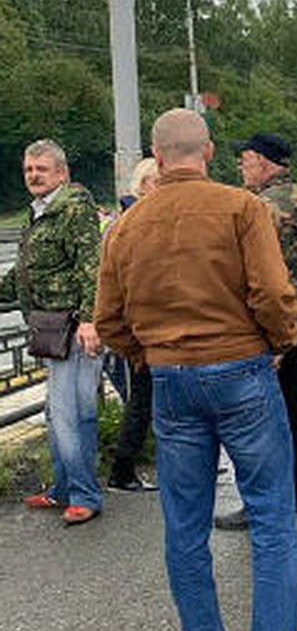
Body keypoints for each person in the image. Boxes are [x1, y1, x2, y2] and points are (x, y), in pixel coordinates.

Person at [95, 108, 297, 631]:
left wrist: (147, 357)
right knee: (271, 514)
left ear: (158, 156)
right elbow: (273, 291)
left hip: (171, 381)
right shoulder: (242, 208)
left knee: (185, 524)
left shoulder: (127, 225)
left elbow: (109, 321)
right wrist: (278, 342)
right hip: (242, 370)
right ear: (210, 152)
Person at [216, 132, 297, 528]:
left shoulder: (255, 208)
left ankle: (262, 506)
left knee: (259, 423)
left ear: (263, 162)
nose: (240, 168)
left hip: (267, 329)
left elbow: (247, 273)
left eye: (244, 160)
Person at [0, 139, 104, 525]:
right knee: (69, 413)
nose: (33, 175)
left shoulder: (72, 210)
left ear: (62, 173)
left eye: (41, 169)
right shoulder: (40, 212)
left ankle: (84, 495)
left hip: (73, 328)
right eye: (28, 169)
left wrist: (91, 320)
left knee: (66, 415)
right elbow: (26, 274)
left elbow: (91, 266)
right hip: (51, 327)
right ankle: (65, 488)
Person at [107, 157, 160, 493]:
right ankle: (122, 470)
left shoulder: (136, 219)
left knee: (149, 399)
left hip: (145, 324)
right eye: (157, 181)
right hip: (141, 327)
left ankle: (125, 468)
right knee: (143, 400)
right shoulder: (132, 224)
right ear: (142, 186)